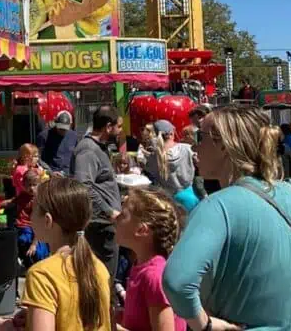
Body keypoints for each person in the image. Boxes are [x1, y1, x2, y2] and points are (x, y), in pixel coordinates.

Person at [163, 105, 291, 331]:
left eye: (201, 136)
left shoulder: (217, 206)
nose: (195, 147)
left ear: (225, 145)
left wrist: (205, 325)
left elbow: (177, 283)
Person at [20, 177, 112, 331]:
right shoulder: (99, 268)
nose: (30, 217)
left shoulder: (41, 274)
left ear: (47, 221)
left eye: (33, 211)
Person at [113, 188, 187, 331]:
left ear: (142, 230)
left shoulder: (154, 275)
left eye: (123, 214)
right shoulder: (140, 266)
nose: (115, 217)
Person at [70, 105, 122, 278]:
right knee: (103, 278)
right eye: (119, 127)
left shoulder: (99, 147)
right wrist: (108, 211)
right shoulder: (88, 149)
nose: (120, 131)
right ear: (108, 126)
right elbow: (83, 185)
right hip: (100, 225)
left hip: (106, 223)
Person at [138, 120, 199, 213]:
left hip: (168, 199)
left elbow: (148, 172)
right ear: (171, 133)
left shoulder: (154, 156)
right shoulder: (187, 148)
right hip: (190, 196)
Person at [16, 170, 50, 268]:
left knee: (38, 252)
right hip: (22, 227)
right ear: (23, 185)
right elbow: (12, 202)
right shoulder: (23, 196)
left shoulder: (39, 200)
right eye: (28, 185)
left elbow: (40, 225)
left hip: (34, 230)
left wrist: (34, 244)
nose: (31, 188)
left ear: (39, 184)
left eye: (34, 185)